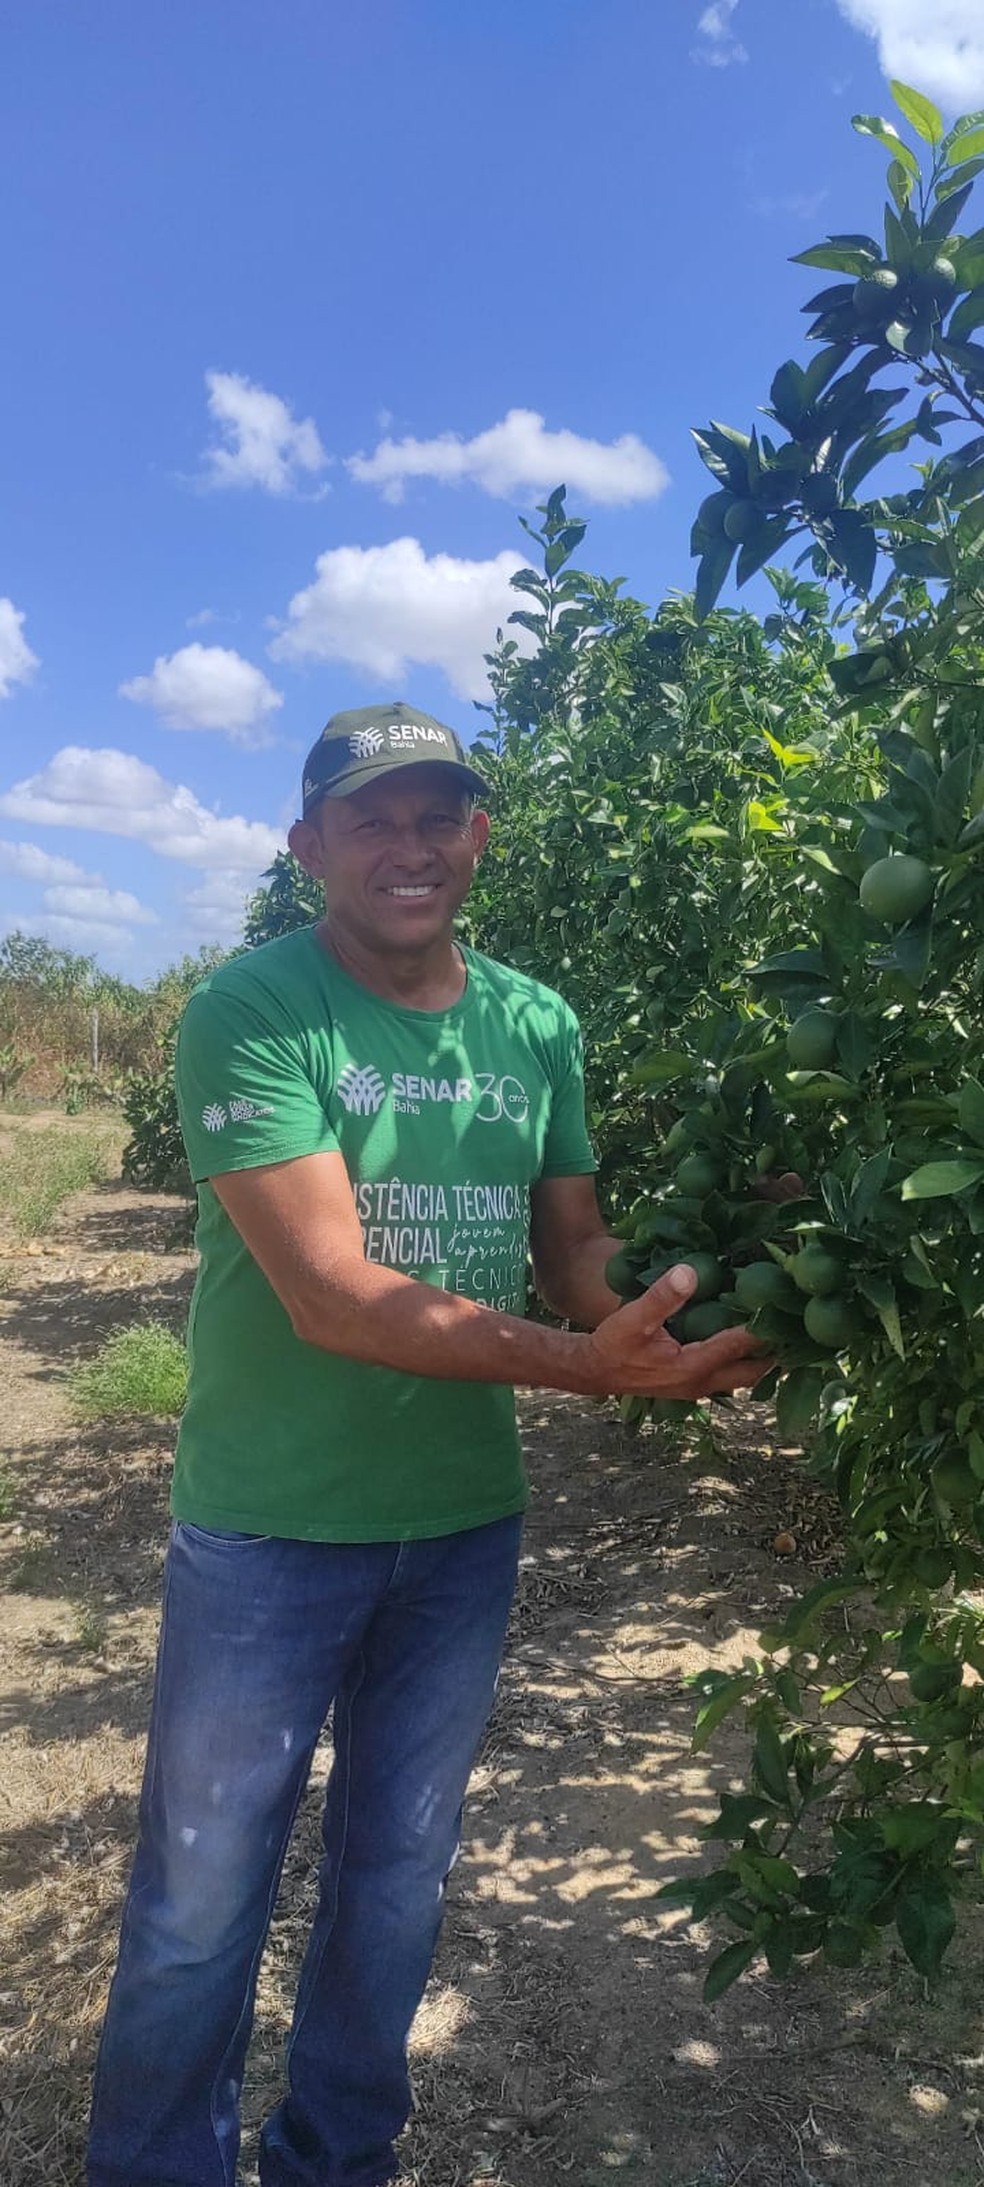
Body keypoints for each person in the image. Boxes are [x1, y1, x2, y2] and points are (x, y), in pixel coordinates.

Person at [86, 701, 769, 2187]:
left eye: (437, 813)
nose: (409, 845)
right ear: (307, 844)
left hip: (460, 1526)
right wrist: (595, 1375)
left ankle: (338, 2160)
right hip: (270, 1528)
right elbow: (334, 1295)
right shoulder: (252, 1010)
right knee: (203, 1897)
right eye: (370, 816)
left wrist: (668, 1307)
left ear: (476, 834)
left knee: (395, 1882)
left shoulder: (536, 1021)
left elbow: (572, 1251)